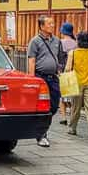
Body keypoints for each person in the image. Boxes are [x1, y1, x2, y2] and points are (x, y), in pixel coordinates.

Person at [28, 16, 64, 147]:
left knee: (53, 106)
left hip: (53, 77)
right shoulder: (35, 41)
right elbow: (32, 61)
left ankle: (42, 129)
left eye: (53, 23)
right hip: (40, 77)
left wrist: (60, 71)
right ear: (41, 26)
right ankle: (41, 134)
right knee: (43, 107)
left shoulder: (57, 41)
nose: (52, 25)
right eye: (49, 23)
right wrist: (32, 80)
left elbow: (60, 58)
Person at [65, 31, 88, 139]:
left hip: (76, 84)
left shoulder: (73, 53)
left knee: (75, 107)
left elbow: (68, 69)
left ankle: (72, 128)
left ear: (78, 41)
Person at [58, 22, 78, 126]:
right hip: (74, 72)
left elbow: (59, 57)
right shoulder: (76, 43)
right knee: (72, 96)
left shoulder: (60, 43)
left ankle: (63, 117)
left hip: (64, 71)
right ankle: (71, 118)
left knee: (62, 96)